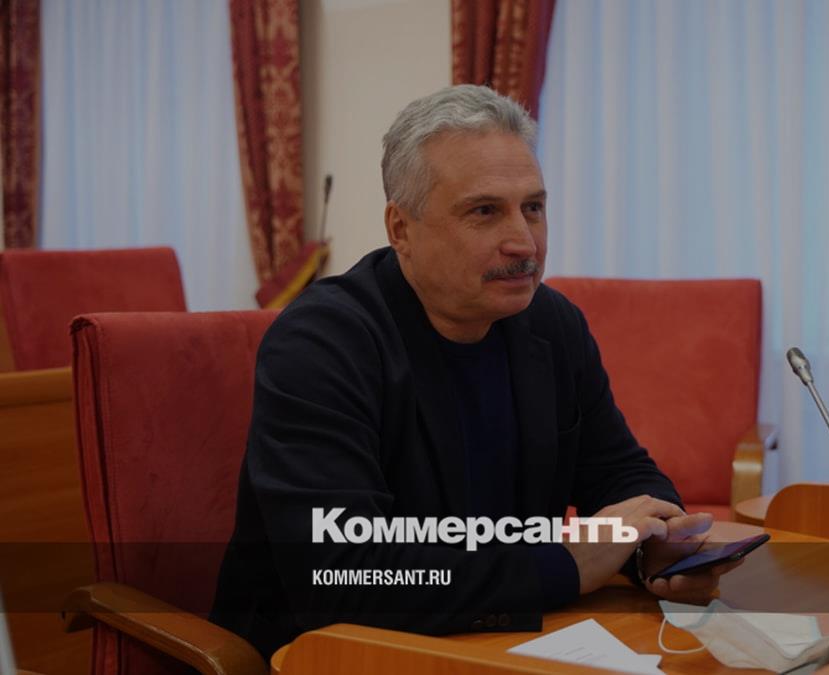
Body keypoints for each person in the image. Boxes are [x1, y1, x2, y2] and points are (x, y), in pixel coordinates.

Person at [211, 84, 739, 660]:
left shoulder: (552, 324)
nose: (523, 242)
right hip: (334, 657)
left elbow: (618, 471)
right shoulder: (321, 344)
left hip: (505, 643)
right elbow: (345, 575)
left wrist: (656, 544)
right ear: (401, 229)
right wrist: (560, 566)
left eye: (533, 207)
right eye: (485, 212)